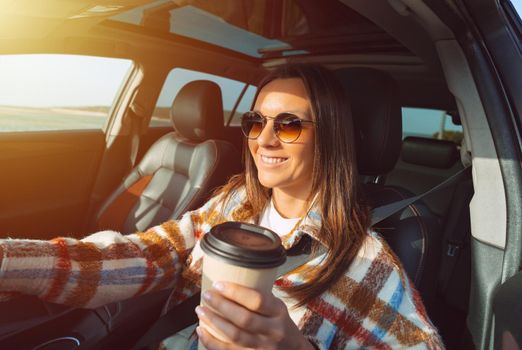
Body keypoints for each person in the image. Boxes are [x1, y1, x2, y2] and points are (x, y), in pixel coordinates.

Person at [0, 64, 444, 349]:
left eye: (289, 125)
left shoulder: (365, 258)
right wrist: (11, 262)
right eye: (256, 122)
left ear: (329, 136)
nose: (264, 139)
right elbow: (142, 255)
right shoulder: (234, 204)